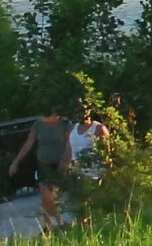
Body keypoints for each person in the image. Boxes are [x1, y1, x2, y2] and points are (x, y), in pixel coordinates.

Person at [6, 94, 100, 234]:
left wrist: (67, 164)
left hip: (59, 164)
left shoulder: (65, 124)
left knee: (53, 198)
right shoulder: (38, 124)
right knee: (46, 198)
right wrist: (15, 162)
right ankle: (48, 226)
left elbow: (70, 144)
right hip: (43, 163)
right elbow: (28, 144)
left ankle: (61, 223)